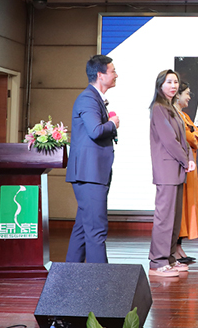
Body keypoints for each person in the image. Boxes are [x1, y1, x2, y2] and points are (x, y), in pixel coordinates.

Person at [65, 54, 120, 264]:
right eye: (113, 71)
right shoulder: (88, 98)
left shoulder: (93, 97)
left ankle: (69, 274)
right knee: (97, 229)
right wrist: (113, 123)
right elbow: (96, 131)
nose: (116, 75)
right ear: (100, 75)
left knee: (82, 229)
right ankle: (101, 278)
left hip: (92, 173)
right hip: (89, 174)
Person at [148, 70, 195, 277]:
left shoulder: (171, 108)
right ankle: (157, 262)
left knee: (174, 219)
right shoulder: (159, 108)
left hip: (177, 169)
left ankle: (169, 259)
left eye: (175, 82)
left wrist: (189, 159)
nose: (173, 85)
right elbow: (169, 140)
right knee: (164, 217)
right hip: (167, 169)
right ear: (160, 85)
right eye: (169, 82)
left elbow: (184, 139)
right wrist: (185, 160)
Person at [174, 82, 198, 263]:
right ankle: (175, 248)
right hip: (181, 167)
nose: (189, 97)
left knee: (187, 206)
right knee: (180, 207)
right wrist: (193, 135)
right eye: (187, 93)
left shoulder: (184, 116)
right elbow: (190, 137)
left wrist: (193, 135)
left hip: (190, 167)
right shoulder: (174, 115)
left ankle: (179, 247)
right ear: (177, 95)